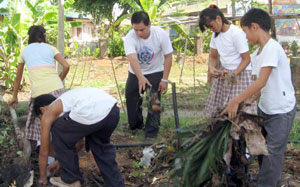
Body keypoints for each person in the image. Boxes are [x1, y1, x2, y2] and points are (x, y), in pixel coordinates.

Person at [221, 8, 296, 187]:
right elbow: (257, 88)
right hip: (265, 109)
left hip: (281, 111)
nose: (245, 37)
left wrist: (235, 100)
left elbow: (261, 82)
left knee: (272, 155)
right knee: (263, 151)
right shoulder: (257, 55)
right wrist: (244, 105)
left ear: (254, 26)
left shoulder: (272, 48)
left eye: (245, 31)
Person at [33, 87, 125, 187]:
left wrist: (42, 177)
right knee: (101, 148)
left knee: (57, 129)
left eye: (40, 118)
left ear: (43, 109)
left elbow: (44, 151)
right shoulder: (68, 104)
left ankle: (71, 180)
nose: (43, 121)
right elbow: (79, 143)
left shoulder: (49, 111)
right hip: (112, 111)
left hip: (93, 113)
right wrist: (60, 162)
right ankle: (116, 184)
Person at [9, 25, 69, 143]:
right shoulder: (50, 48)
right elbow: (66, 66)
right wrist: (59, 79)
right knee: (59, 122)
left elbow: (18, 78)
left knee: (42, 126)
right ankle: (61, 151)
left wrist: (15, 96)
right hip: (57, 89)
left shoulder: (24, 51)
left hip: (40, 93)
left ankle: (46, 156)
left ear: (30, 37)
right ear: (43, 36)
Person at [198, 5, 256, 117]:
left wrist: (233, 74)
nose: (211, 29)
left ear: (218, 19)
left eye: (211, 26)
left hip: (241, 75)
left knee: (240, 113)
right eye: (208, 27)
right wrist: (212, 68)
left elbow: (246, 59)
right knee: (220, 112)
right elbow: (214, 57)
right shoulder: (215, 35)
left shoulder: (236, 33)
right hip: (224, 74)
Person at [124, 11, 173, 138]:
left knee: (154, 101)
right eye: (136, 30)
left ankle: (151, 132)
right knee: (131, 98)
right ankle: (135, 125)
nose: (139, 33)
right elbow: (132, 58)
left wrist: (164, 79)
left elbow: (168, 56)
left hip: (155, 71)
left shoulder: (160, 34)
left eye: (142, 29)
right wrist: (140, 77)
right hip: (135, 72)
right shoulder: (130, 37)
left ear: (149, 25)